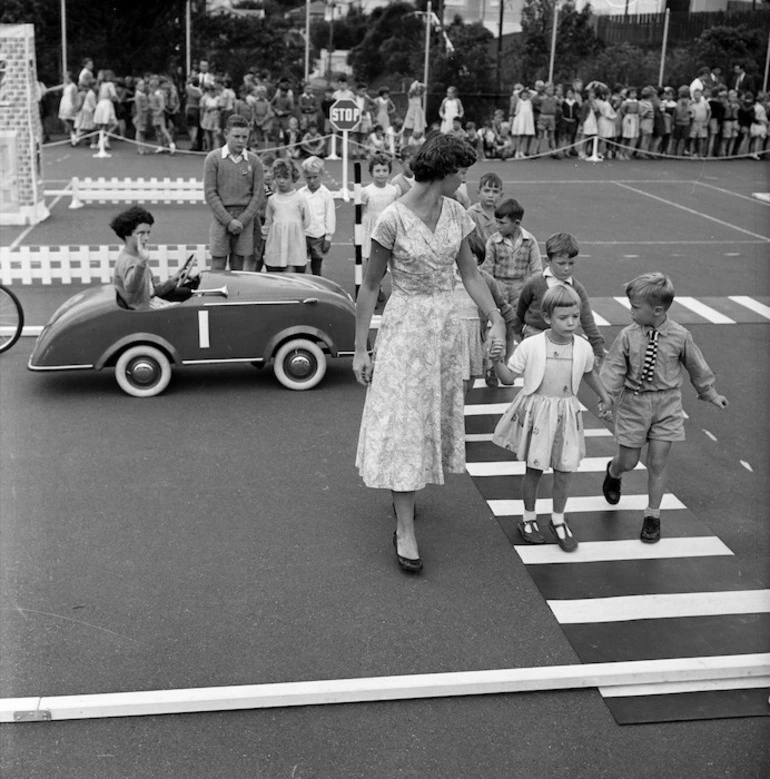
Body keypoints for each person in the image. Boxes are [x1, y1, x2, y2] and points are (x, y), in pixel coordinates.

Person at [352, 134, 507, 574]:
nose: (466, 181)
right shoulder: (391, 220)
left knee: (426, 418)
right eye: (462, 173)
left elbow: (470, 274)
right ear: (443, 172)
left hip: (444, 327)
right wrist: (362, 349)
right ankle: (404, 528)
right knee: (404, 419)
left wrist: (495, 316)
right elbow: (369, 288)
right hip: (405, 327)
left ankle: (407, 496)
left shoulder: (456, 212)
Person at [600, 272, 728, 543]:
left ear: (657, 310)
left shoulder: (680, 336)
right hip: (635, 402)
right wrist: (606, 397)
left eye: (635, 307)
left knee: (658, 462)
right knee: (630, 461)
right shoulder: (627, 336)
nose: (630, 311)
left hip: (667, 404)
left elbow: (696, 366)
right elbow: (613, 369)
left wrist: (710, 393)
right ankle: (614, 471)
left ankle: (652, 516)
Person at [491, 285, 612, 551]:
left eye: (575, 317)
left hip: (567, 413)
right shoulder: (531, 345)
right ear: (547, 318)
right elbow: (508, 377)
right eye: (563, 317)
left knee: (565, 470)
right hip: (538, 414)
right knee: (534, 469)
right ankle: (528, 518)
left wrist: (604, 394)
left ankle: (558, 519)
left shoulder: (582, 347)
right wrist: (497, 360)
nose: (571, 322)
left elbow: (589, 372)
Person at [514, 232, 605, 362]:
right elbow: (520, 310)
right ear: (547, 261)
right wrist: (521, 331)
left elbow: (587, 319)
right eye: (561, 263)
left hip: (564, 339)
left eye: (571, 263)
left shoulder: (577, 289)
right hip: (535, 335)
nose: (567, 268)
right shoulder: (534, 283)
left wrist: (597, 349)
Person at [204, 115, 265, 271]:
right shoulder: (213, 159)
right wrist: (228, 221)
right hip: (221, 218)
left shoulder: (254, 161)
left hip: (245, 220)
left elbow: (258, 195)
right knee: (218, 264)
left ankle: (234, 295)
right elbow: (210, 193)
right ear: (226, 134)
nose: (240, 141)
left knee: (237, 266)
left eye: (244, 137)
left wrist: (242, 221)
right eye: (236, 136)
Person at [110, 206, 198, 309]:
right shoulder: (128, 261)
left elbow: (150, 291)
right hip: (143, 310)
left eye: (148, 233)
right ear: (127, 234)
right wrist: (141, 262)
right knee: (189, 308)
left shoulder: (136, 256)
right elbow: (131, 287)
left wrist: (172, 281)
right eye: (141, 233)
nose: (146, 238)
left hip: (151, 302)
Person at [261, 158, 310, 273]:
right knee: (275, 275)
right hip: (276, 244)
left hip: (294, 245)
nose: (281, 181)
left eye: (285, 177)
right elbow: (268, 222)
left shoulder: (299, 198)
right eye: (278, 177)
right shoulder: (272, 200)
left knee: (292, 276)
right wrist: (263, 239)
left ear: (293, 178)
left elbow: (307, 221)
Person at [299, 156, 335, 276]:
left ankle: (317, 284)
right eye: (309, 178)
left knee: (317, 263)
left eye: (315, 177)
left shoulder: (326, 194)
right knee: (300, 264)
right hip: (303, 234)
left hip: (319, 235)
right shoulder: (300, 194)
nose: (312, 181)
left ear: (321, 175)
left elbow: (330, 216)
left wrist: (328, 237)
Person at [361, 154, 400, 265]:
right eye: (377, 170)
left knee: (386, 260)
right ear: (371, 172)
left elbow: (396, 211)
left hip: (387, 227)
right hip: (371, 227)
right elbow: (359, 213)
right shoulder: (366, 191)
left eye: (384, 170)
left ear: (389, 171)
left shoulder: (394, 191)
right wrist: (357, 233)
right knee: (371, 259)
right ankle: (372, 282)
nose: (381, 173)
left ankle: (378, 281)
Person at [467, 172, 503, 246]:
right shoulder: (472, 212)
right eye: (487, 191)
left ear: (501, 195)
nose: (490, 195)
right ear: (478, 192)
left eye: (495, 192)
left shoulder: (502, 214)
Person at [58, 71, 79, 146]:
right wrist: (48, 90)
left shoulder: (73, 86)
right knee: (67, 120)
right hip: (65, 104)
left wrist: (74, 106)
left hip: (69, 104)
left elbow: (74, 97)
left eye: (66, 77)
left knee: (65, 119)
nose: (64, 78)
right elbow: (58, 87)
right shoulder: (66, 85)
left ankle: (73, 135)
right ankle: (73, 136)